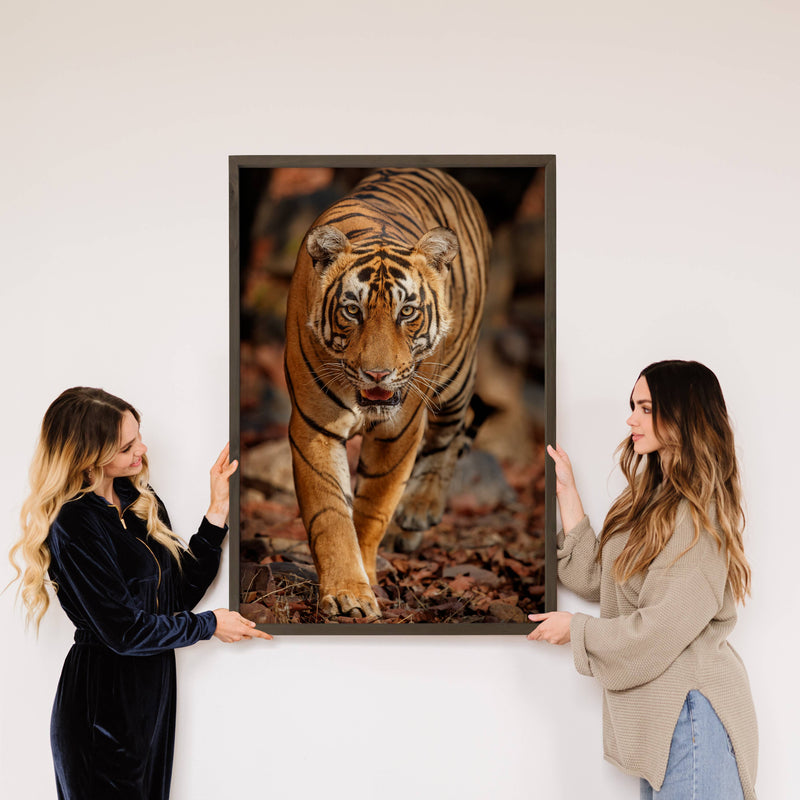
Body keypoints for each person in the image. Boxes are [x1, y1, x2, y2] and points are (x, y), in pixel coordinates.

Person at [9, 387, 272, 800]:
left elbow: (177, 597)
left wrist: (216, 511)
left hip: (150, 697)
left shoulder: (137, 500)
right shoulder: (73, 523)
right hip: (102, 705)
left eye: (139, 436)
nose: (142, 450)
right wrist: (209, 626)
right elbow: (124, 631)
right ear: (86, 455)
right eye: (127, 446)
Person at [527, 360, 758, 799]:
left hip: (692, 719)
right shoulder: (650, 503)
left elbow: (658, 632)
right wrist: (567, 493)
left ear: (683, 414)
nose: (631, 419)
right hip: (666, 723)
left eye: (646, 408)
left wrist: (575, 629)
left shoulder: (696, 520)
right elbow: (601, 579)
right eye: (633, 405)